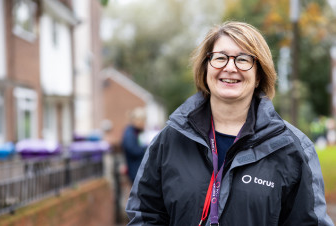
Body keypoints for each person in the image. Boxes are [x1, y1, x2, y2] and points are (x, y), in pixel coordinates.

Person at [126, 21, 334, 225]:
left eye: (243, 59)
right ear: (206, 68)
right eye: (220, 57)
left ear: (259, 75)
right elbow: (145, 216)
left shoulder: (292, 148)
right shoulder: (171, 139)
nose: (230, 67)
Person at [122, 107, 147, 183]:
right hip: (135, 171)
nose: (144, 124)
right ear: (138, 120)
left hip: (136, 170)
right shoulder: (130, 134)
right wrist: (146, 148)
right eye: (143, 121)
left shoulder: (136, 132)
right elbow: (134, 150)